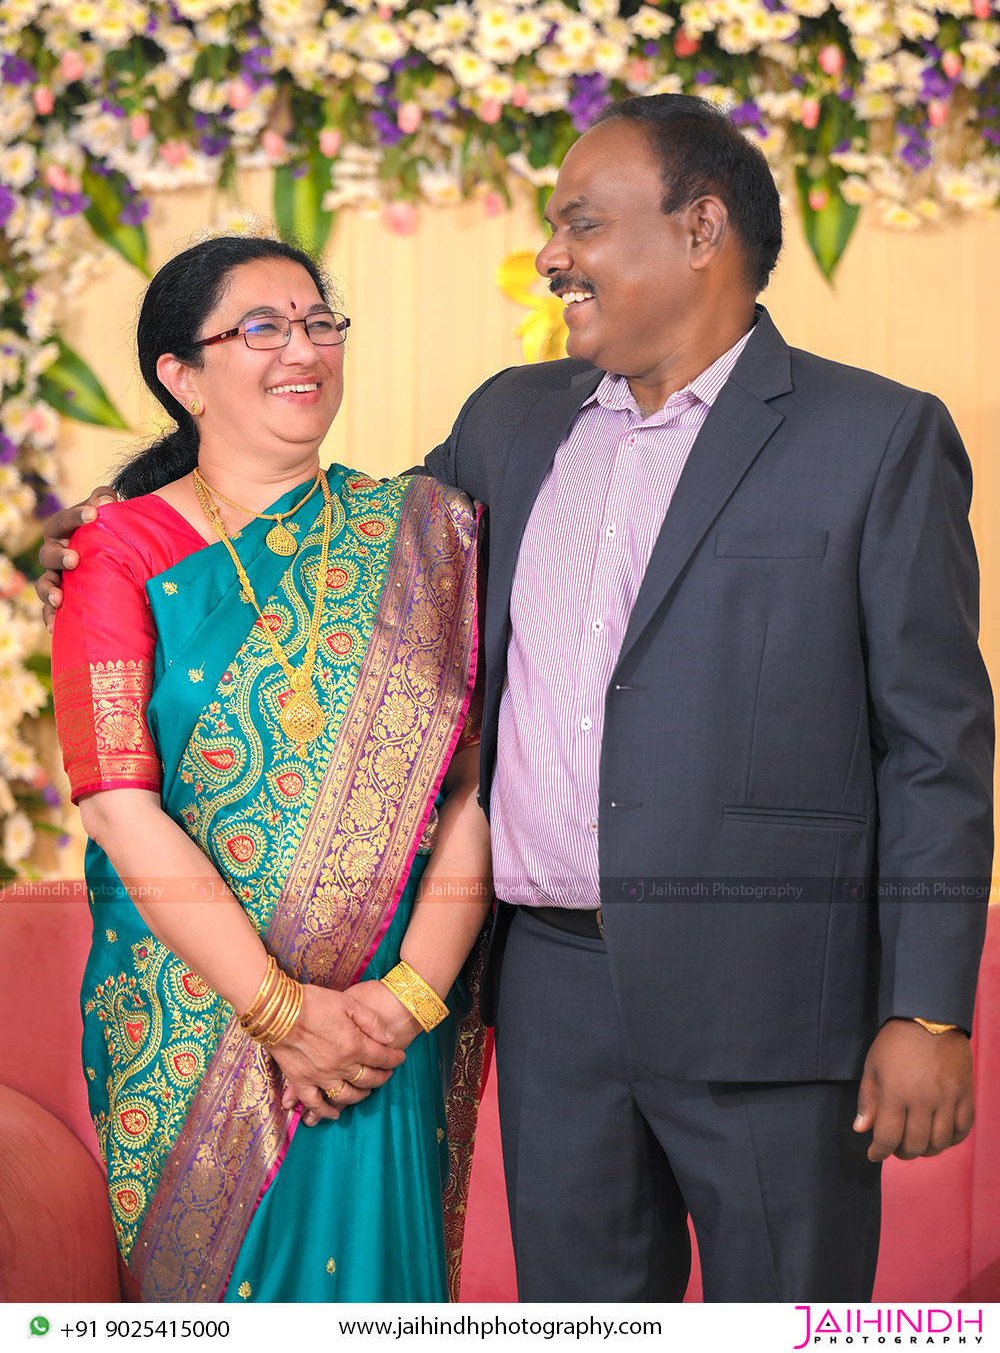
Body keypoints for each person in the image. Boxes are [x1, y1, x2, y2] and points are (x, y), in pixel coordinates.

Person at [40, 98, 994, 1303]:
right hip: (551, 994)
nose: (550, 254)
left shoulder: (872, 436)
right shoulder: (513, 420)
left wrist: (928, 1011)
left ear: (700, 230)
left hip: (763, 990)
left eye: (580, 223)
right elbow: (328, 561)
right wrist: (119, 542)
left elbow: (935, 747)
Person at [46, 234, 491, 1304]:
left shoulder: (422, 534)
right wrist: (285, 1014)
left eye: (317, 322)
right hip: (196, 1019)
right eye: (261, 328)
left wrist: (406, 1000)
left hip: (382, 1026)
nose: (303, 349)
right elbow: (117, 807)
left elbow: (475, 785)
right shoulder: (119, 554)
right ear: (182, 376)